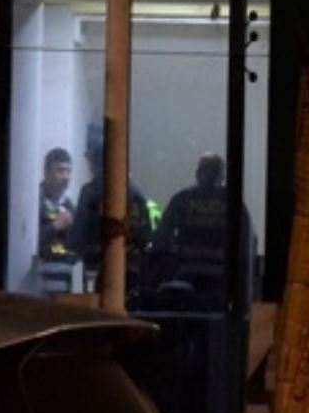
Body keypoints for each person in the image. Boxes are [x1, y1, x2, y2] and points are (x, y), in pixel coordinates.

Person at [154, 152, 252, 306]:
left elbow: (160, 238)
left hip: (187, 277)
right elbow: (246, 241)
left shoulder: (182, 199)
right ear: (221, 176)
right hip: (221, 278)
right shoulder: (232, 201)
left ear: (198, 173)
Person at [68, 121, 154, 281]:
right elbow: (146, 234)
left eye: (91, 162)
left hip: (97, 270)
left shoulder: (89, 192)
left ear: (96, 163)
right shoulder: (135, 191)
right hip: (130, 269)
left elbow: (77, 239)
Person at [38, 147, 76, 261]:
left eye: (68, 172)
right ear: (46, 172)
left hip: (65, 269)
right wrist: (55, 226)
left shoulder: (69, 205)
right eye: (60, 170)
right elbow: (24, 241)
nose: (66, 177)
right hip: (40, 270)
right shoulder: (34, 201)